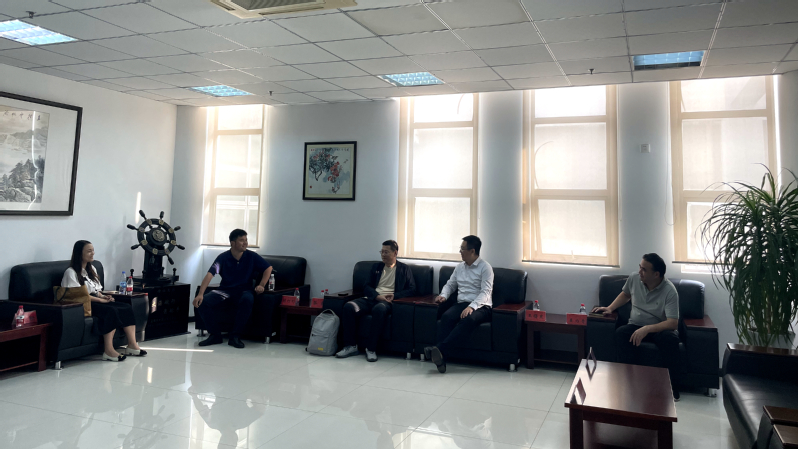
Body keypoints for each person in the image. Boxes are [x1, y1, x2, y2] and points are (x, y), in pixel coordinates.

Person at [592, 253, 681, 401]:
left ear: (656, 274)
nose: (639, 271)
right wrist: (610, 308)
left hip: (658, 328)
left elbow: (673, 322)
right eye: (640, 267)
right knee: (621, 334)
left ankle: (672, 387)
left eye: (644, 269)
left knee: (670, 339)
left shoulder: (670, 291)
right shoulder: (634, 278)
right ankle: (628, 382)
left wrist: (647, 329)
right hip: (635, 325)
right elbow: (625, 294)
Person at [62, 240, 146, 362]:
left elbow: (96, 290)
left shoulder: (92, 269)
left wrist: (103, 297)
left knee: (125, 307)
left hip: (95, 299)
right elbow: (77, 296)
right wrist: (100, 301)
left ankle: (132, 345)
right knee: (110, 311)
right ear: (79, 253)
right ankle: (108, 350)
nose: (93, 253)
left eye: (93, 250)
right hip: (82, 304)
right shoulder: (71, 272)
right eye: (89, 251)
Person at [335, 240, 417, 362]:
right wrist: (377, 296)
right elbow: (366, 286)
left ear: (395, 253)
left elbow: (412, 289)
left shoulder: (404, 269)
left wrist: (394, 295)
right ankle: (350, 346)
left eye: (386, 252)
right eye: (381, 252)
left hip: (387, 302)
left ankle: (371, 349)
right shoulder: (376, 267)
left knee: (379, 309)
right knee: (349, 306)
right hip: (372, 298)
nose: (383, 255)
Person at [424, 235, 493, 374]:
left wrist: (471, 307)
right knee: (446, 317)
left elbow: (486, 292)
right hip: (462, 303)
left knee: (468, 319)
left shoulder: (485, 267)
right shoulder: (460, 267)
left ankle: (439, 350)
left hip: (481, 306)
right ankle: (441, 359)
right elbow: (450, 284)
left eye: (462, 249)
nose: (460, 251)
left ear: (472, 251)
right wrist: (443, 295)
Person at [193, 229, 272, 349]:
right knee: (203, 302)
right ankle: (215, 335)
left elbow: (268, 268)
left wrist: (261, 284)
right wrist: (200, 294)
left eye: (246, 240)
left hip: (244, 290)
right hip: (225, 291)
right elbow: (210, 274)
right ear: (233, 243)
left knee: (247, 299)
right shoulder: (223, 258)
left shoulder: (251, 256)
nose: (245, 243)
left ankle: (235, 336)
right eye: (242, 240)